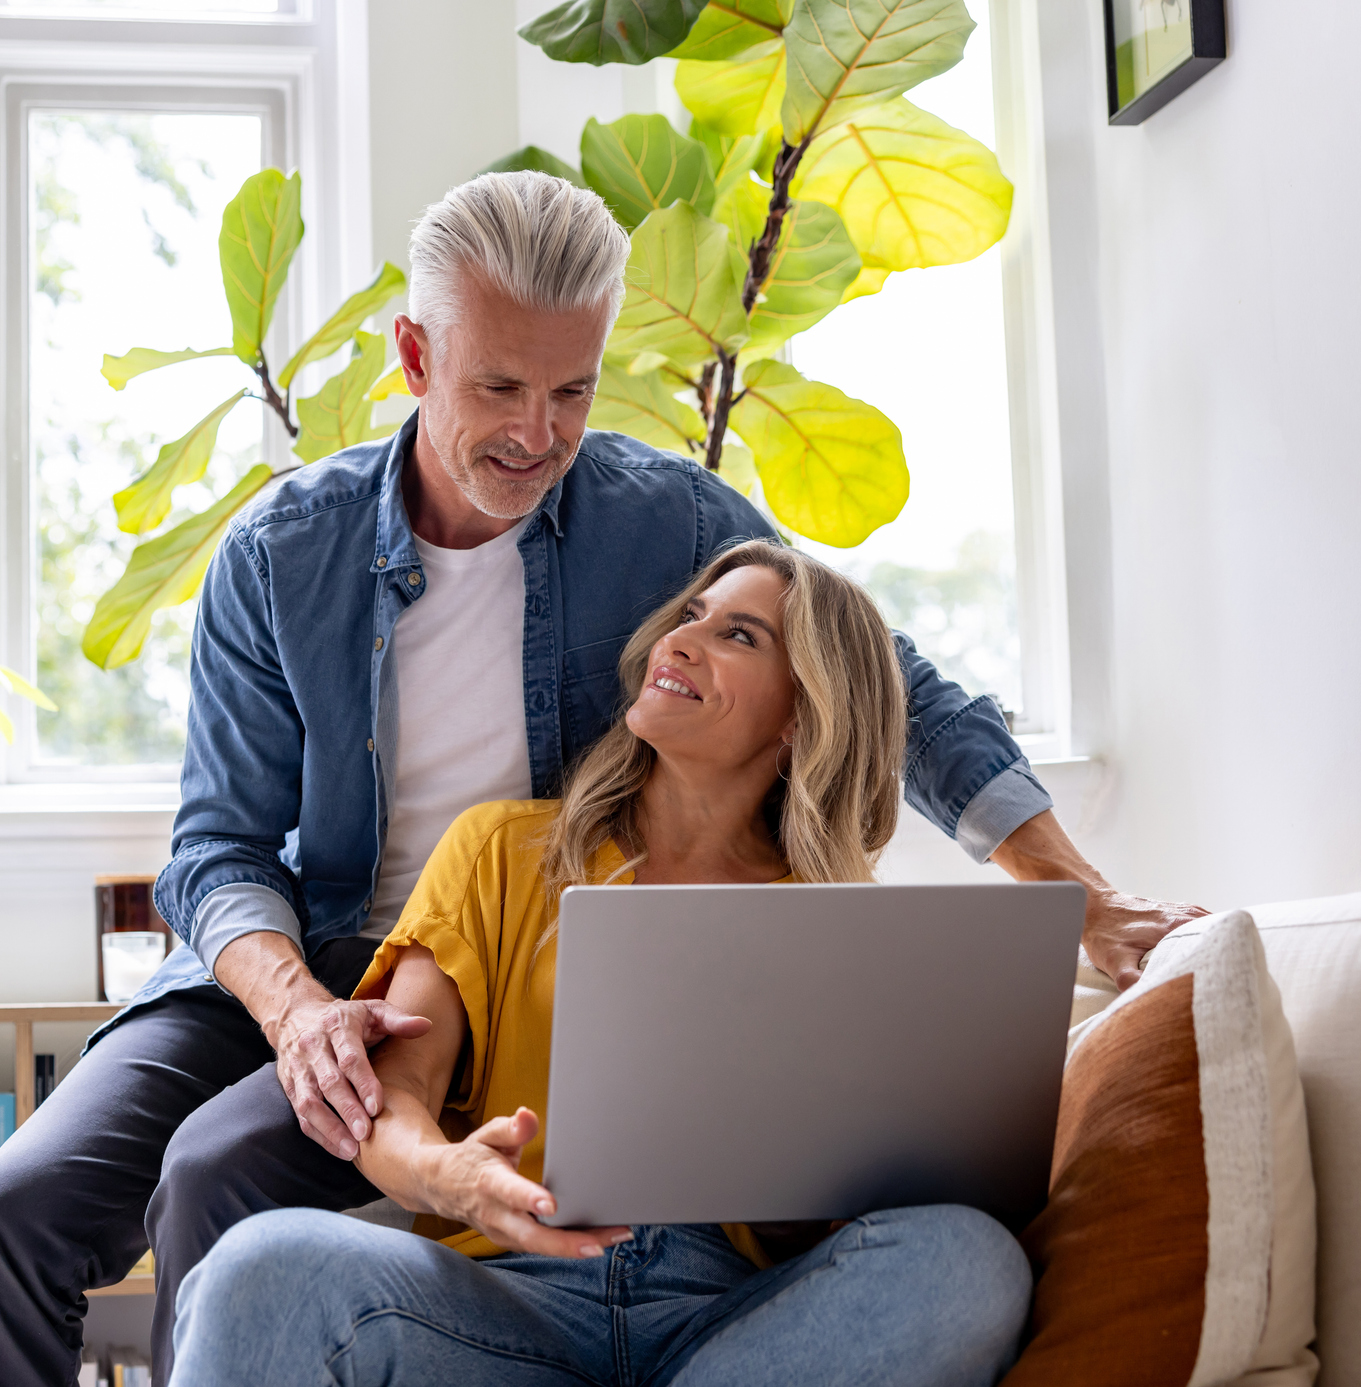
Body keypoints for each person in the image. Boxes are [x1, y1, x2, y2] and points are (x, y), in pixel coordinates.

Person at [0, 171, 1197, 1386]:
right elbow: (216, 849)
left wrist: (1076, 897)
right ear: (416, 359)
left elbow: (890, 685)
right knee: (8, 1211)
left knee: (221, 1169)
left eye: (572, 390)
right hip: (294, 963)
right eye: (498, 386)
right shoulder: (282, 552)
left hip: (510, 968)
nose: (538, 434)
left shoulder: (668, 523)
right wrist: (297, 1015)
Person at [173, 540, 1032, 1386]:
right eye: (690, 614)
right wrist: (452, 1178)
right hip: (507, 1302)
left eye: (738, 635)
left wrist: (795, 1199)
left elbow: (843, 1211)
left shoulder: (838, 921)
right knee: (258, 1267)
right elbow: (393, 1099)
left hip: (728, 1319)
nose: (680, 640)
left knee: (967, 1259)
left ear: (803, 712)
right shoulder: (501, 852)